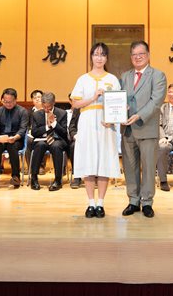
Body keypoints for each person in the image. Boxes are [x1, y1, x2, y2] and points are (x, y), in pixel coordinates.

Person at [70, 43, 122, 218]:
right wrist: (93, 97)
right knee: (89, 161)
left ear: (106, 58)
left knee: (104, 162)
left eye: (103, 55)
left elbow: (118, 104)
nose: (99, 58)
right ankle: (90, 203)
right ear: (91, 57)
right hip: (87, 122)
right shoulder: (83, 79)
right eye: (96, 54)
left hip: (106, 125)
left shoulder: (112, 79)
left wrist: (112, 120)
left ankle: (101, 203)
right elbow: (75, 103)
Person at [120, 41, 167, 218]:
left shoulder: (158, 75)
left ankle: (147, 202)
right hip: (127, 129)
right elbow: (119, 98)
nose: (137, 57)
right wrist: (120, 109)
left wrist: (139, 115)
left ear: (148, 55)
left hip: (147, 128)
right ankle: (133, 200)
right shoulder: (125, 76)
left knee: (148, 168)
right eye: (134, 54)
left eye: (141, 54)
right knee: (130, 167)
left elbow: (156, 101)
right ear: (130, 57)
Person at [29, 92, 69, 191]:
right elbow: (34, 132)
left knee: (56, 146)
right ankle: (34, 178)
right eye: (44, 107)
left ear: (54, 103)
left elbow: (64, 133)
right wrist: (47, 127)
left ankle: (58, 180)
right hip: (41, 139)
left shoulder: (62, 113)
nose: (46, 109)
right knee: (40, 145)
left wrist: (54, 123)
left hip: (57, 139)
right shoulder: (36, 114)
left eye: (49, 107)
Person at [0, 88, 29, 190]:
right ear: (2, 100)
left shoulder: (22, 111)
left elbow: (23, 129)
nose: (8, 104)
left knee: (12, 147)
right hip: (2, 138)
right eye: (5, 101)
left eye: (10, 102)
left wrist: (15, 137)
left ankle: (15, 177)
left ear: (15, 100)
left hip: (16, 139)